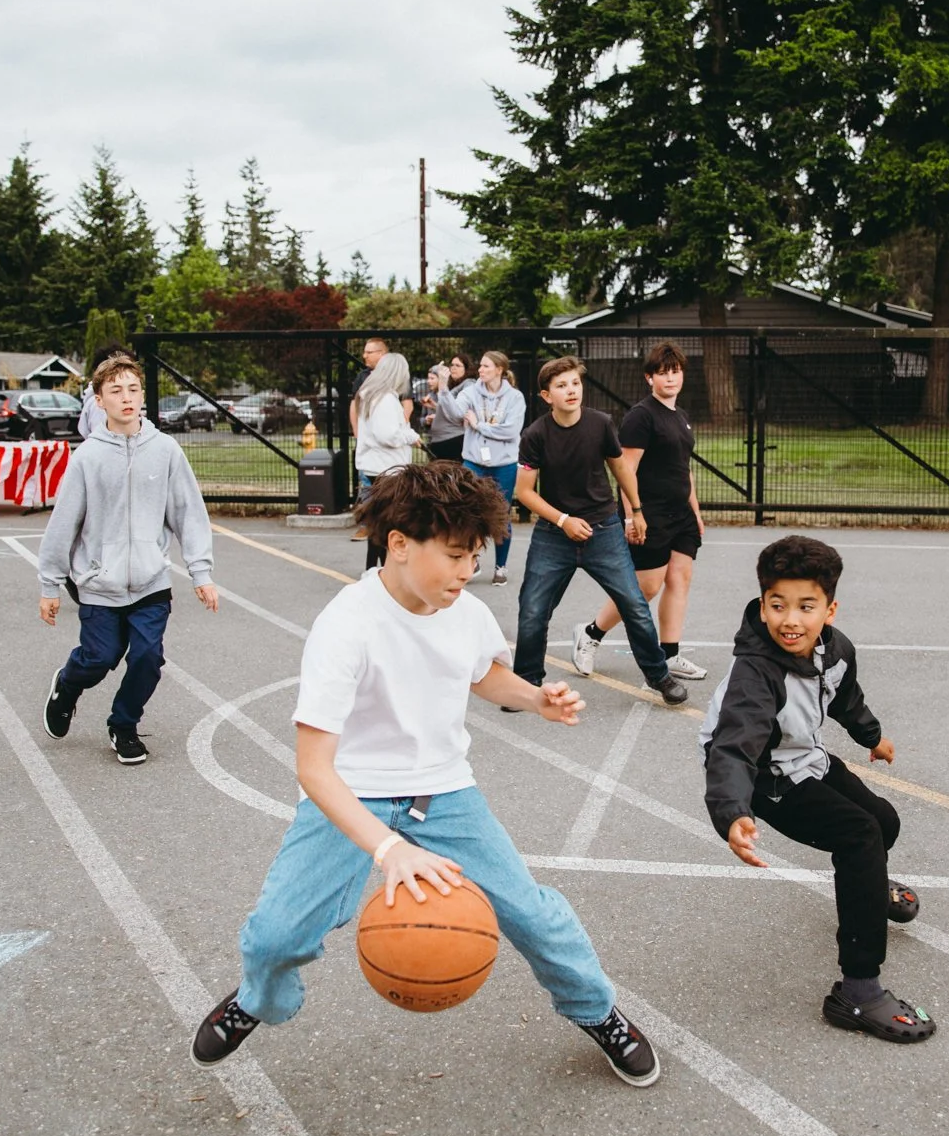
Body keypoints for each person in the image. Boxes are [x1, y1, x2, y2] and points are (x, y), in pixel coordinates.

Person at [190, 462, 661, 1088]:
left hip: (442, 790)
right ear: (400, 544)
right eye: (456, 555)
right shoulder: (346, 624)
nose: (468, 571)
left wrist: (533, 699)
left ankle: (597, 1011)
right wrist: (388, 850)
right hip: (352, 790)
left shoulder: (464, 611)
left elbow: (481, 673)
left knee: (533, 915)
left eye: (476, 557)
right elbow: (314, 769)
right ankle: (258, 999)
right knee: (276, 937)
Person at [698, 535, 934, 1045]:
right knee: (859, 836)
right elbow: (732, 748)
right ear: (762, 603)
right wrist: (732, 811)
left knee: (884, 821)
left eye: (806, 606)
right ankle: (858, 993)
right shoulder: (755, 674)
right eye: (777, 604)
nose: (790, 620)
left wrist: (873, 738)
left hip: (804, 756)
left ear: (829, 609)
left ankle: (867, 889)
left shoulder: (836, 649)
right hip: (762, 777)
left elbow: (846, 698)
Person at [36, 354, 219, 765]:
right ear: (99, 401)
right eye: (116, 390)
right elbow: (64, 523)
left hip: (151, 581)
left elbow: (188, 513)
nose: (127, 398)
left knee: (147, 657)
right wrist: (50, 585)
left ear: (143, 396)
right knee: (99, 658)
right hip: (100, 583)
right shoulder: (87, 457)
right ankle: (68, 684)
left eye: (133, 389)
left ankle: (123, 725)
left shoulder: (165, 450)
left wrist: (201, 573)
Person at [512, 356, 687, 707]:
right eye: (561, 385)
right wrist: (563, 520)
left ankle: (658, 675)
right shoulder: (535, 435)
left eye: (575, 383)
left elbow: (621, 468)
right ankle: (526, 684)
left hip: (603, 529)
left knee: (634, 604)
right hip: (554, 535)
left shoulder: (601, 424)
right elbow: (524, 492)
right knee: (532, 610)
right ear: (547, 396)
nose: (571, 390)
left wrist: (635, 511)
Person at [573, 342, 707, 681]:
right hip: (651, 514)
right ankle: (590, 634)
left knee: (680, 578)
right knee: (645, 588)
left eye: (675, 371)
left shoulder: (681, 416)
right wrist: (633, 515)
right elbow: (625, 470)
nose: (670, 378)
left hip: (681, 515)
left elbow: (684, 469)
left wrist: (695, 512)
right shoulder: (641, 416)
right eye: (662, 373)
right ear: (649, 378)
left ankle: (670, 654)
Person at [435, 350, 523, 586]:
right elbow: (454, 414)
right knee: (468, 514)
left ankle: (501, 566)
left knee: (501, 515)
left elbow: (510, 431)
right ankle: (472, 560)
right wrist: (443, 387)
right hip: (474, 461)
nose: (480, 370)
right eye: (480, 366)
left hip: (503, 464)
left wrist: (478, 425)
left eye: (485, 366)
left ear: (499, 369)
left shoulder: (515, 397)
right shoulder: (471, 391)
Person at [353, 353, 422, 571]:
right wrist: (410, 436)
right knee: (388, 522)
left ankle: (374, 570)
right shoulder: (385, 399)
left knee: (379, 521)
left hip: (375, 465)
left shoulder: (371, 395)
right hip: (387, 467)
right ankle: (381, 572)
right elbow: (388, 435)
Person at [347, 337, 399, 539]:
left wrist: (400, 430)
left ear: (382, 354)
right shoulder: (363, 377)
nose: (364, 356)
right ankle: (367, 523)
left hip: (388, 446)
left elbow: (406, 403)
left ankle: (387, 526)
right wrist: (358, 431)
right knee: (367, 483)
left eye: (369, 352)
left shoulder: (395, 377)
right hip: (370, 443)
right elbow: (355, 405)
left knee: (388, 490)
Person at [423, 354, 471, 462]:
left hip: (454, 440)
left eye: (458, 365)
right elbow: (450, 410)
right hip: (442, 441)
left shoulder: (468, 384)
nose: (453, 368)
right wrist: (435, 407)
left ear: (466, 369)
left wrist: (443, 386)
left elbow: (459, 413)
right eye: (452, 365)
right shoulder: (453, 385)